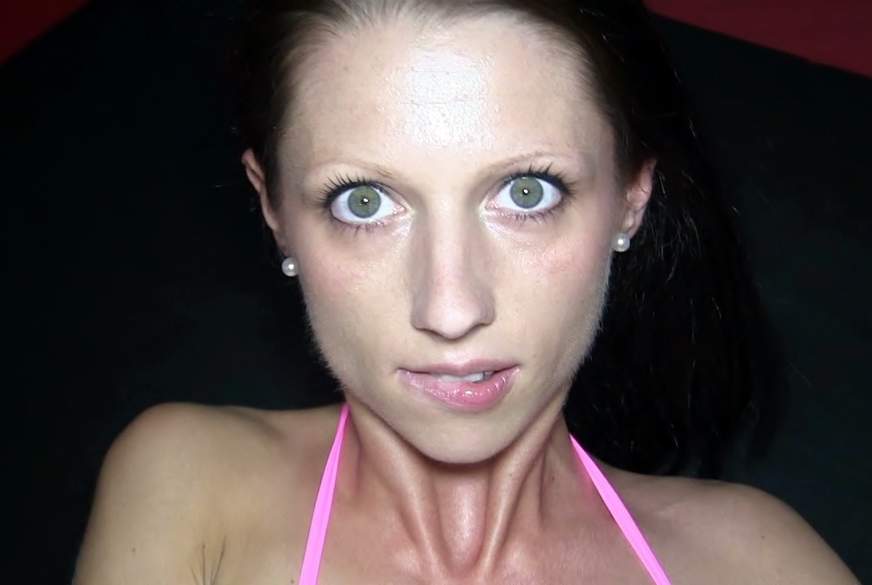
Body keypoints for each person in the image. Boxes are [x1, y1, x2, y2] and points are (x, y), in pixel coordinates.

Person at [73, 0, 860, 583]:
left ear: (631, 198)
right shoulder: (188, 485)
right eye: (364, 202)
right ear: (274, 210)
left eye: (526, 192)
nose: (450, 310)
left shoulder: (753, 563)